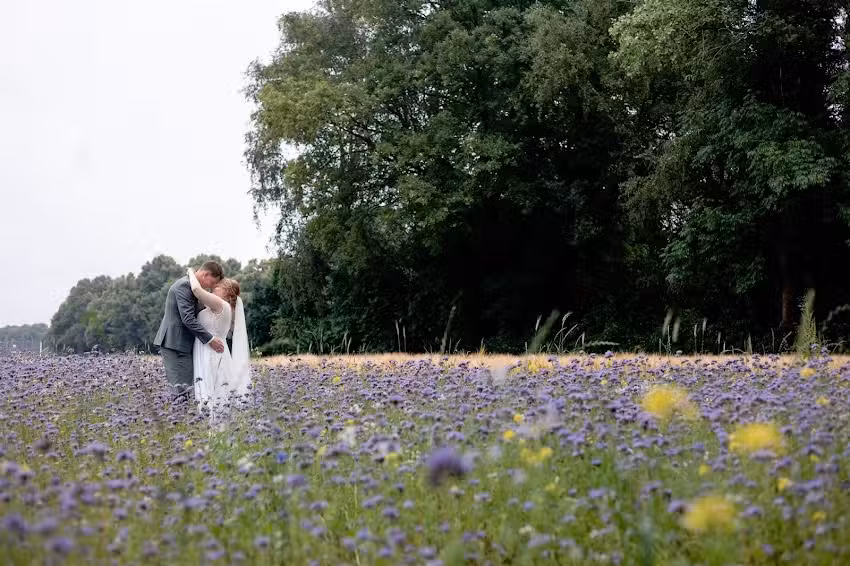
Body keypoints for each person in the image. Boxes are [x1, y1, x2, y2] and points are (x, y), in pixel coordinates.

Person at [154, 261, 226, 403]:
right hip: (174, 344)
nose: (211, 287)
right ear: (206, 274)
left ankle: (182, 419)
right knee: (179, 390)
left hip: (184, 345)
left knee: (187, 389)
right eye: (212, 282)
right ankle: (176, 421)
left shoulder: (193, 287)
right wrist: (210, 340)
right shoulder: (184, 286)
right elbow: (187, 318)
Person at [186, 267, 252, 421]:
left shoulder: (222, 306)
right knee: (207, 391)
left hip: (212, 353)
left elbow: (196, 289)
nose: (214, 288)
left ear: (228, 294)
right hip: (205, 350)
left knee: (213, 391)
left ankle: (215, 429)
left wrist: (191, 271)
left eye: (218, 287)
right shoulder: (214, 305)